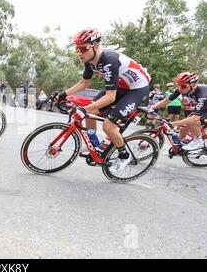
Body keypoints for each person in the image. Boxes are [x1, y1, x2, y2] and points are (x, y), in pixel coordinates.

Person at [56, 28, 151, 173]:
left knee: (108, 125)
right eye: (77, 49)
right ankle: (95, 145)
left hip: (137, 90)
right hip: (123, 86)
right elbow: (84, 83)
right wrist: (63, 94)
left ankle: (124, 156)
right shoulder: (89, 59)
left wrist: (83, 110)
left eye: (82, 49)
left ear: (95, 45)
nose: (79, 53)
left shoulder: (109, 60)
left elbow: (110, 96)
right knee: (91, 109)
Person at [151, 72, 206, 151]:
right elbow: (167, 100)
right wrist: (153, 107)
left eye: (182, 86)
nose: (180, 88)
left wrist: (172, 124)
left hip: (204, 112)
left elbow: (194, 118)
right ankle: (176, 149)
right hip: (202, 110)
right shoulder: (183, 89)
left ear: (193, 85)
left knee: (192, 121)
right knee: (183, 129)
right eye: (179, 85)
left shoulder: (202, 94)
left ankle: (198, 141)